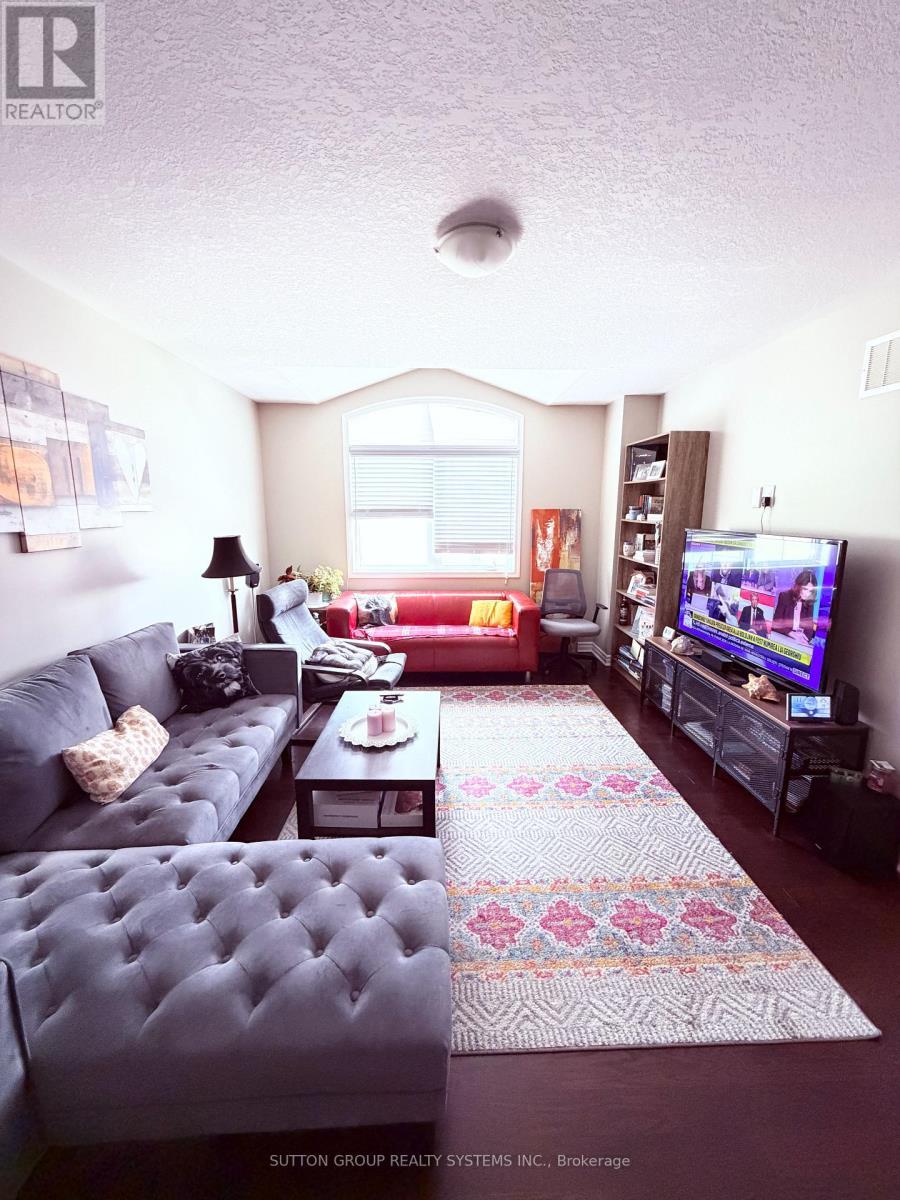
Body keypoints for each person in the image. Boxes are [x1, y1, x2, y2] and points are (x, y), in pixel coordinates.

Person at [772, 571, 818, 642]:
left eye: (810, 591)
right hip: (784, 638)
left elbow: (809, 632)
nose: (807, 594)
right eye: (805, 589)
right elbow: (775, 623)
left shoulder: (809, 602)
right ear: (798, 586)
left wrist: (803, 639)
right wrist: (790, 633)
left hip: (799, 642)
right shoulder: (784, 596)